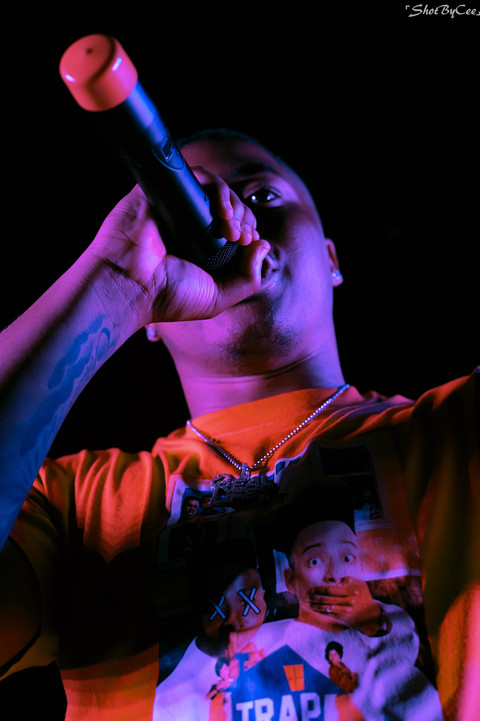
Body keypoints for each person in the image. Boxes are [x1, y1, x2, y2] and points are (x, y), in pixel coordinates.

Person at [0, 128, 478, 721]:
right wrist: (114, 284)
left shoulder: (458, 432)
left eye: (261, 196)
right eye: (187, 214)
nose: (229, 221)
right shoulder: (75, 506)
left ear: (331, 259)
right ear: (151, 325)